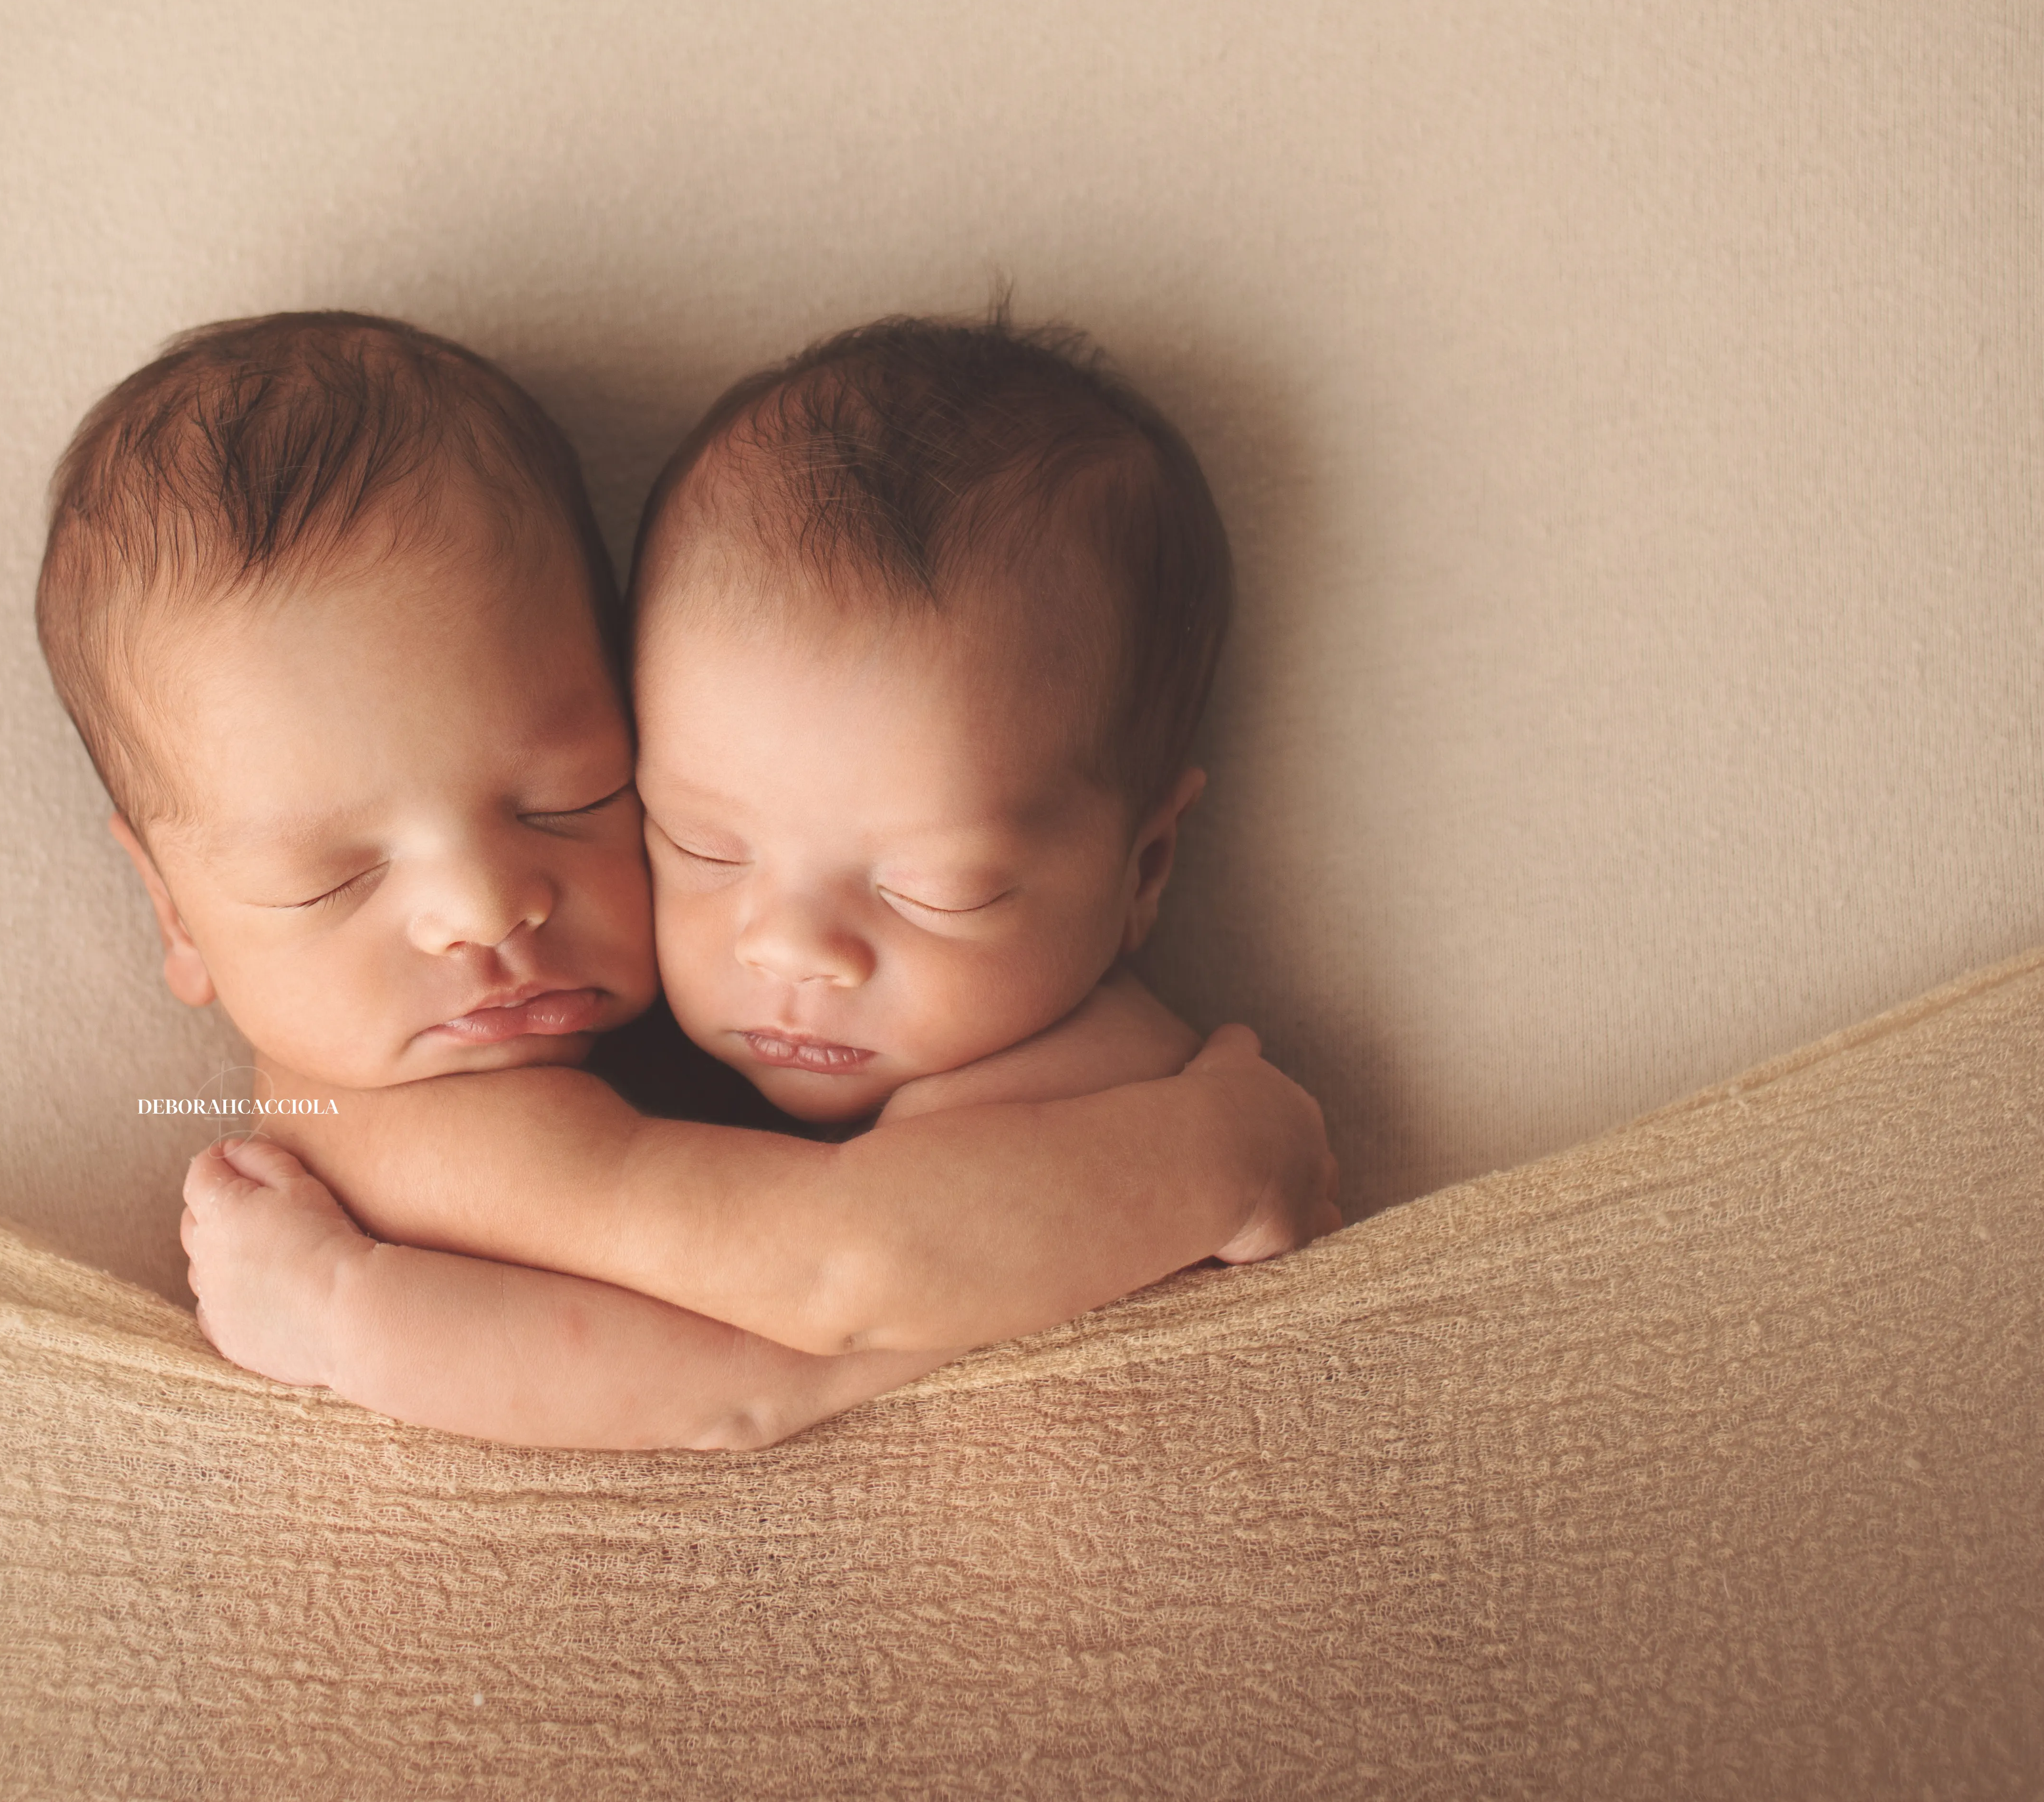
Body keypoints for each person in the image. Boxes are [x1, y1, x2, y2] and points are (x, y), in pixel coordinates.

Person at [122, 310, 1316, 1447]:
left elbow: (828, 1303)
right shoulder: (409, 1122)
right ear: (172, 912)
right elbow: (823, 1296)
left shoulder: (1067, 1058)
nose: (788, 947)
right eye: (704, 848)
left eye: (572, 806)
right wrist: (1224, 1155)